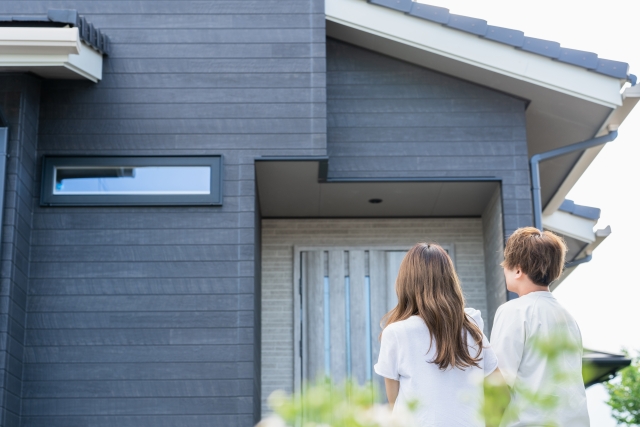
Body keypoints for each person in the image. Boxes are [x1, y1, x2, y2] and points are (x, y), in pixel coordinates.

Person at [374, 243, 503, 426]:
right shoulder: (471, 326)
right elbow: (501, 394)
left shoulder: (396, 333)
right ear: (450, 281)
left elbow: (394, 405)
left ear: (405, 282)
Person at [491, 227, 589, 426]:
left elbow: (500, 381)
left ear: (518, 270)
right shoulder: (567, 317)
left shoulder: (513, 311)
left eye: (506, 264)